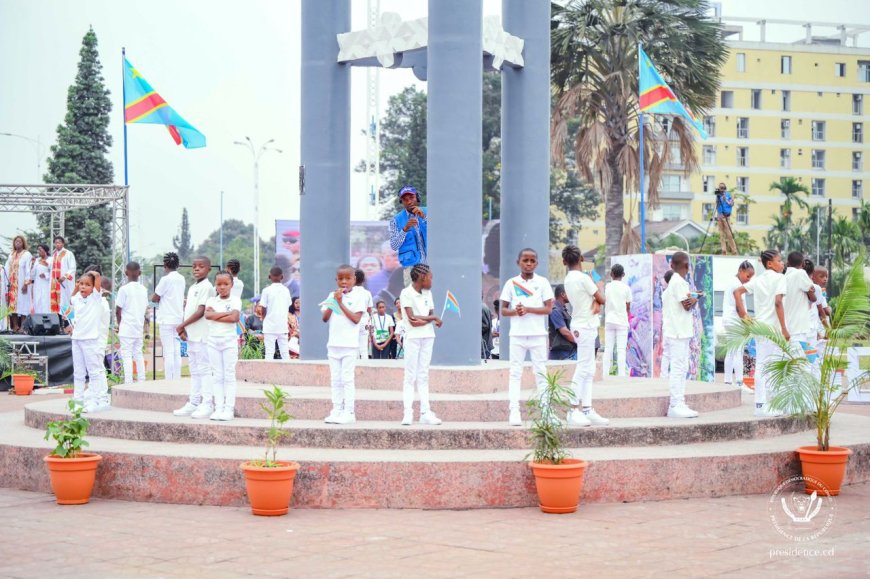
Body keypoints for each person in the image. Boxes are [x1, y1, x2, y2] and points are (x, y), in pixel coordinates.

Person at [500, 248, 554, 426]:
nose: (529, 264)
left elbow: (548, 309)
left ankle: (546, 411)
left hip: (538, 334)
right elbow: (504, 310)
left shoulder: (543, 282)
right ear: (518, 263)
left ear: (537, 263)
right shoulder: (511, 283)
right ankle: (514, 411)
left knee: (541, 372)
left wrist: (529, 309)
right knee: (515, 373)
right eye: (525, 260)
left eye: (532, 261)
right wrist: (516, 311)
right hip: (517, 335)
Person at [734, 249, 788, 417]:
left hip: (759, 328)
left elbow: (737, 292)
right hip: (772, 329)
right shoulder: (780, 278)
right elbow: (778, 302)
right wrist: (784, 328)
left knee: (761, 366)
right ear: (769, 264)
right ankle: (769, 405)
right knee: (772, 366)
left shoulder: (758, 280)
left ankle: (759, 406)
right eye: (779, 261)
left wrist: (744, 315)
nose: (782, 263)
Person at [563, 245, 608, 426]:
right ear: (581, 258)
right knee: (583, 368)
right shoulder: (583, 278)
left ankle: (587, 409)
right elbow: (602, 299)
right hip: (586, 326)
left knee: (588, 369)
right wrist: (599, 286)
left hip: (581, 325)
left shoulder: (568, 278)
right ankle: (573, 410)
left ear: (564, 261)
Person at [321, 264, 365, 424]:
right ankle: (337, 409)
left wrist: (341, 303)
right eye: (340, 279)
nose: (344, 281)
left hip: (349, 345)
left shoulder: (359, 297)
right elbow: (325, 318)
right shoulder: (332, 296)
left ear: (354, 279)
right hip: (333, 344)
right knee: (335, 379)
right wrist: (334, 300)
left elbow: (356, 319)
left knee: (347, 379)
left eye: (348, 278)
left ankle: (349, 411)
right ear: (336, 280)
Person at [399, 264, 443, 425]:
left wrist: (427, 319)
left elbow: (426, 316)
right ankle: (407, 413)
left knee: (423, 375)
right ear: (422, 278)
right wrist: (431, 319)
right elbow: (412, 319)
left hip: (428, 337)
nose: (432, 281)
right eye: (430, 277)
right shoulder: (406, 293)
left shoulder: (428, 293)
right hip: (412, 338)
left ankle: (425, 412)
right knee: (410, 376)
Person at [172, 257, 216, 419]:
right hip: (192, 335)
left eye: (201, 266)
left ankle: (207, 404)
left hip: (202, 336)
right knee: (195, 370)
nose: (197, 269)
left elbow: (201, 311)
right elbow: (189, 310)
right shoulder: (193, 287)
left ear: (209, 269)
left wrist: (182, 325)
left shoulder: (207, 287)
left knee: (204, 369)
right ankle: (194, 402)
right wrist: (184, 328)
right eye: (194, 266)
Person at [661, 252, 700, 419]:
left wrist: (692, 297)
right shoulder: (679, 282)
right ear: (687, 266)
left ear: (672, 265)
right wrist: (696, 298)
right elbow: (686, 305)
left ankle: (680, 402)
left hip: (678, 331)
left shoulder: (674, 283)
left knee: (681, 367)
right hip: (678, 332)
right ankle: (675, 404)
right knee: (678, 368)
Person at [68, 270, 109, 412]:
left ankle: (95, 401)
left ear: (94, 288)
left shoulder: (96, 299)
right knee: (78, 373)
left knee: (94, 372)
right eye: (81, 284)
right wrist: (77, 284)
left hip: (91, 340)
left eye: (87, 285)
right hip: (77, 340)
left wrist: (94, 274)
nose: (83, 287)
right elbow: (71, 298)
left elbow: (97, 278)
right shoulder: (77, 298)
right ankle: (78, 401)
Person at [205, 271, 242, 421]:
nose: (222, 287)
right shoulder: (211, 301)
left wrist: (216, 315)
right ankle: (218, 407)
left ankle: (229, 408)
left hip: (228, 341)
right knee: (217, 376)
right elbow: (207, 316)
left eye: (225, 284)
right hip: (213, 341)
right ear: (215, 284)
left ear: (231, 285)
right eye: (219, 284)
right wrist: (223, 314)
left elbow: (234, 318)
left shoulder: (235, 300)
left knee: (229, 375)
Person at [151, 252, 186, 380]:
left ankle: (168, 380)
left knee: (168, 351)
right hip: (178, 319)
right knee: (177, 351)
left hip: (166, 319)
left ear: (165, 265)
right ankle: (177, 378)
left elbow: (155, 297)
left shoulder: (165, 279)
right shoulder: (181, 279)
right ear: (178, 265)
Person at [722, 261, 755, 391]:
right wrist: (747, 321)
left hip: (729, 320)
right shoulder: (736, 285)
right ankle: (740, 383)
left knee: (731, 352)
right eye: (748, 276)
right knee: (738, 352)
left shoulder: (732, 282)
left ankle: (728, 382)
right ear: (740, 270)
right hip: (735, 321)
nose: (749, 279)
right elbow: (738, 307)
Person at [116, 262, 148, 384]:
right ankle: (142, 380)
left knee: (127, 355)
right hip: (138, 327)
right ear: (139, 273)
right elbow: (145, 309)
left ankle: (128, 382)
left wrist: (119, 325)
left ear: (125, 273)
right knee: (138, 354)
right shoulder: (144, 290)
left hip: (126, 327)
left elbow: (118, 311)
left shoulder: (123, 289)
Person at [388, 185, 428, 285]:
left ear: (417, 198)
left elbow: (441, 232)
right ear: (402, 202)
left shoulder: (429, 212)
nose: (409, 202)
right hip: (411, 268)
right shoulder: (395, 220)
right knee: (412, 299)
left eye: (411, 198)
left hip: (433, 265)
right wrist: (405, 230)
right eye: (405, 200)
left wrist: (424, 217)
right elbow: (394, 245)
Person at [782, 251, 817, 357]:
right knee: (801, 362)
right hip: (799, 327)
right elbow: (812, 295)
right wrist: (811, 290)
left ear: (788, 263)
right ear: (802, 264)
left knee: (789, 359)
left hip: (787, 325)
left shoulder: (784, 276)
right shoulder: (800, 273)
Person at [603, 264, 632, 376]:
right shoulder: (626, 288)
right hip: (621, 321)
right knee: (621, 349)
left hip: (609, 320)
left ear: (611, 274)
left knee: (608, 349)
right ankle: (621, 376)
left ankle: (605, 374)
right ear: (623, 275)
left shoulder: (607, 287)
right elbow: (628, 307)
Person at [259, 266, 293, 361]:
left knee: (269, 353)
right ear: (282, 277)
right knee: (285, 353)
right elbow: (289, 304)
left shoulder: (266, 291)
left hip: (269, 326)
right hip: (282, 326)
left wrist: (264, 318)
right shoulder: (286, 290)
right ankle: (289, 374)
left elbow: (263, 307)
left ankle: (268, 375)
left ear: (269, 277)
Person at [4, 235, 32, 332]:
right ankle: (15, 326)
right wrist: (6, 282)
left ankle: (23, 326)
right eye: (16, 242)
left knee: (23, 305)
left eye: (20, 241)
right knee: (13, 307)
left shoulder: (27, 254)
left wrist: (26, 283)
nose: (17, 243)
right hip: (12, 285)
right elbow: (6, 269)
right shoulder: (11, 255)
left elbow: (29, 270)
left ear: (23, 243)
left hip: (21, 285)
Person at [548, 284, 576, 361]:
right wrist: (579, 342)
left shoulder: (563, 310)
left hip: (568, 352)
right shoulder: (555, 311)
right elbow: (565, 332)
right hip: (561, 355)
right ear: (563, 294)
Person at [50, 236, 76, 314]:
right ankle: (58, 323)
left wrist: (64, 277)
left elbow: (72, 268)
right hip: (55, 283)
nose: (57, 244)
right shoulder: (53, 255)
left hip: (65, 283)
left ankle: (68, 323)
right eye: (56, 243)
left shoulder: (68, 253)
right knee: (56, 302)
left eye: (59, 243)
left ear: (63, 243)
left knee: (66, 301)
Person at [355, 269, 374, 360]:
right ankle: (365, 366)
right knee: (364, 347)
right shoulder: (367, 293)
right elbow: (369, 309)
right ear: (363, 280)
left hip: (353, 320)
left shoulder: (350, 292)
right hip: (364, 321)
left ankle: (355, 367)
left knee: (354, 346)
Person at [715, 183, 738, 255]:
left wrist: (726, 200)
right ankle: (723, 250)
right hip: (720, 217)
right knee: (721, 235)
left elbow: (732, 204)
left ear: (725, 188)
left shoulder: (729, 195)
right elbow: (717, 206)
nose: (721, 189)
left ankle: (734, 250)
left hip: (726, 216)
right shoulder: (718, 196)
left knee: (729, 234)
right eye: (719, 188)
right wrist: (718, 199)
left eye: (722, 188)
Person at [29, 244, 51, 314]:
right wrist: (32, 265)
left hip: (46, 285)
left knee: (46, 302)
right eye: (38, 250)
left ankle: (47, 321)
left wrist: (45, 275)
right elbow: (32, 275)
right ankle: (39, 322)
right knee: (37, 301)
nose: (39, 251)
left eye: (40, 250)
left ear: (45, 251)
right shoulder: (37, 261)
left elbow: (54, 273)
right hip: (37, 285)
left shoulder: (51, 260)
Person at [659, 270, 674, 378]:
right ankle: (673, 375)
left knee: (666, 353)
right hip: (674, 327)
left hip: (666, 326)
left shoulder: (665, 293)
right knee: (675, 354)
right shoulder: (674, 292)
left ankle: (663, 375)